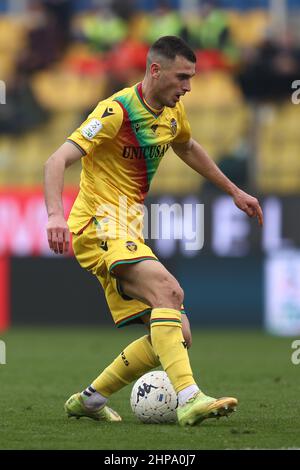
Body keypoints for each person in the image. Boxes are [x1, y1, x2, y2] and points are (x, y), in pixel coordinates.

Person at [44, 36, 263, 427]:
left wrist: (234, 191)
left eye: (192, 78)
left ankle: (90, 399)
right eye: (182, 77)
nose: (188, 87)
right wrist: (54, 216)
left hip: (127, 227)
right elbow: (56, 159)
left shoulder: (173, 114)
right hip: (98, 222)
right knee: (170, 292)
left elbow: (188, 146)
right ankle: (190, 398)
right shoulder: (116, 110)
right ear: (155, 70)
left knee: (178, 331)